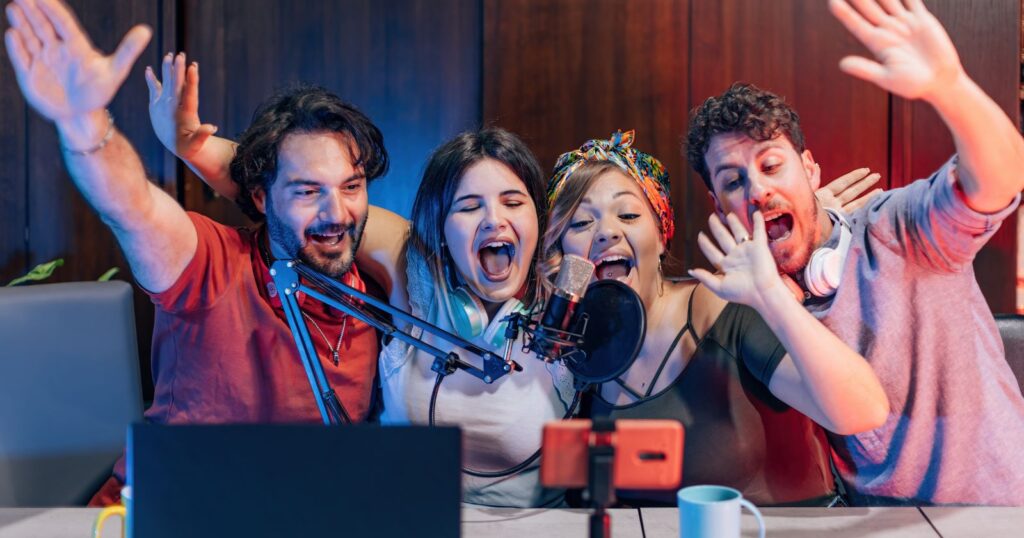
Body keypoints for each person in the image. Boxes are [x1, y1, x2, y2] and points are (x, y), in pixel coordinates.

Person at [144, 56, 575, 507]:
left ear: (539, 220)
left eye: (512, 202)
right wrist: (192, 145)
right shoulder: (409, 266)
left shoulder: (568, 298)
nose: (494, 220)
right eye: (469, 207)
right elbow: (296, 191)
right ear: (440, 227)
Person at [4, 0, 387, 506]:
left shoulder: (376, 296)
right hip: (164, 515)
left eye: (351, 186)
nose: (336, 213)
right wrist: (84, 124)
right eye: (306, 190)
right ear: (258, 196)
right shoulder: (210, 262)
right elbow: (132, 206)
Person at [685, 0, 1024, 506]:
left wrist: (949, 88)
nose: (756, 190)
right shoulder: (750, 311)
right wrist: (772, 300)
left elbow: (1001, 180)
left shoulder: (895, 229)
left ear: (811, 171)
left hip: (1000, 513)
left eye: (772, 165)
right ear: (718, 205)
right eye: (734, 181)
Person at [542, 130, 889, 506]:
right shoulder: (574, 349)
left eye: (627, 214)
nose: (607, 232)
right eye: (580, 224)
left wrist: (774, 290)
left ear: (661, 236)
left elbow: (862, 412)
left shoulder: (722, 310)